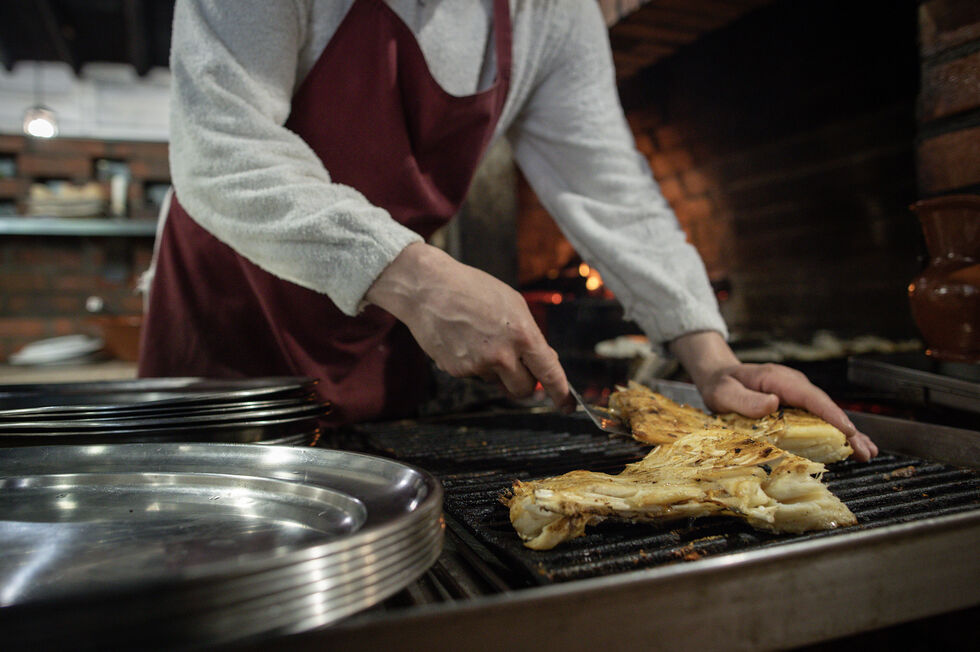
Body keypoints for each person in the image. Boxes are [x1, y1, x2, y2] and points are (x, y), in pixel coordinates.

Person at [139, 0, 878, 460]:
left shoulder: (552, 14)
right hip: (226, 322)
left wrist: (713, 361)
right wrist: (419, 278)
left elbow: (610, 191)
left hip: (370, 330)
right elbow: (218, 145)